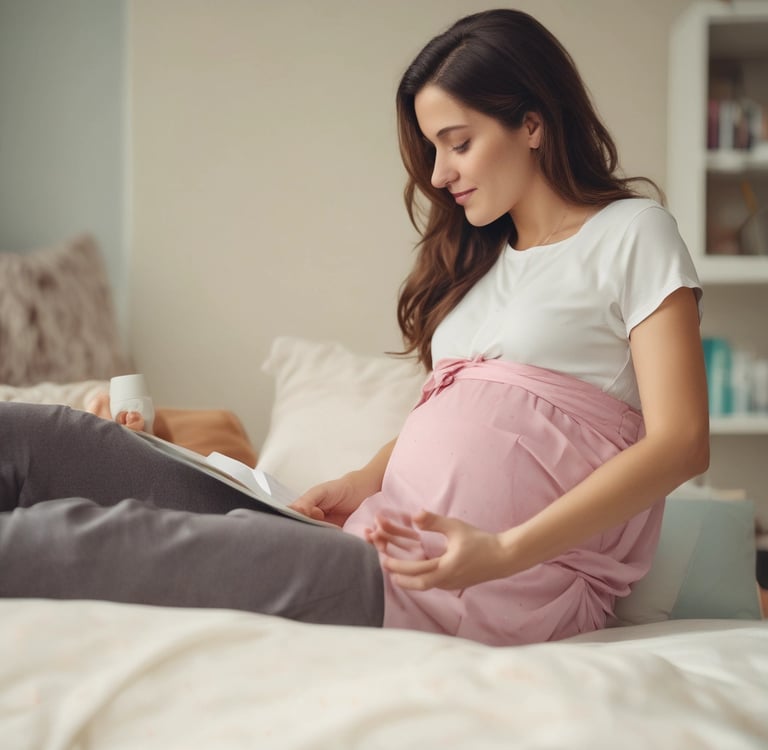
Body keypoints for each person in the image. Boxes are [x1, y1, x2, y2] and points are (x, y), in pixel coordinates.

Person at [0, 8, 708, 647]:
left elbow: (680, 443)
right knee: (52, 438)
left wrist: (504, 550)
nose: (438, 174)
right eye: (432, 149)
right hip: (365, 534)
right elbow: (470, 409)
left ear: (532, 122)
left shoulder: (632, 235)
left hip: (474, 586)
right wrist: (362, 477)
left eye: (457, 144)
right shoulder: (483, 264)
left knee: (99, 542)